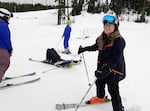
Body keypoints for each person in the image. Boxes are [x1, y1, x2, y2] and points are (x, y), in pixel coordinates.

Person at [78, 11, 126, 111]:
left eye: (110, 25)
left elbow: (117, 57)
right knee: (99, 82)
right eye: (105, 24)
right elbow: (95, 47)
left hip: (115, 70)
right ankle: (100, 97)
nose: (107, 27)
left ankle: (118, 109)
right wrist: (84, 49)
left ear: (115, 26)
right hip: (103, 68)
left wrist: (108, 68)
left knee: (113, 90)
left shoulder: (118, 40)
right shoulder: (102, 38)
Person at [0, 8, 13, 86]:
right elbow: (6, 38)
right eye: (8, 18)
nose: (9, 20)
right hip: (1, 47)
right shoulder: (2, 25)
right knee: (5, 63)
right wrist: (9, 49)